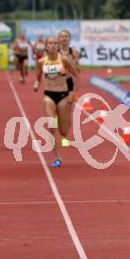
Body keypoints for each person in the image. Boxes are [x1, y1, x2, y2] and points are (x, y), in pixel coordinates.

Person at [33, 36, 80, 168]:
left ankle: (64, 135)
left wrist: (73, 93)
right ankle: (57, 158)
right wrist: (36, 84)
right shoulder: (41, 62)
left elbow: (77, 76)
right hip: (49, 96)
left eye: (55, 43)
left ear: (58, 46)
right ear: (46, 46)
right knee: (52, 126)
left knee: (63, 130)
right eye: (50, 43)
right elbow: (37, 77)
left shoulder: (64, 60)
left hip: (63, 96)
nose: (53, 45)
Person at [58, 29, 80, 148]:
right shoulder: (53, 52)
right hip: (55, 83)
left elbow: (76, 69)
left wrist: (74, 92)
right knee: (54, 112)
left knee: (67, 113)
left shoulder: (74, 52)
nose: (64, 38)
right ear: (59, 39)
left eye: (66, 36)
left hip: (68, 83)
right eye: (62, 36)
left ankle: (64, 137)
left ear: (69, 38)